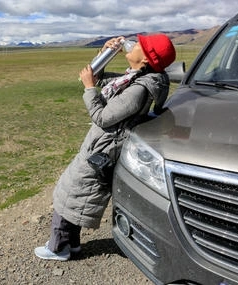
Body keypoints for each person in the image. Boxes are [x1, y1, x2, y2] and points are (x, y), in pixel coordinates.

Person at [34, 34, 176, 261]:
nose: (133, 44)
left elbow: (102, 117)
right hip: (100, 145)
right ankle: (73, 245)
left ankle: (58, 248)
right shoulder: (135, 78)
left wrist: (89, 89)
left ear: (146, 60)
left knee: (71, 195)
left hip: (103, 149)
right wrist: (104, 53)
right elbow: (100, 78)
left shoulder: (139, 89)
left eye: (139, 45)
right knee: (74, 192)